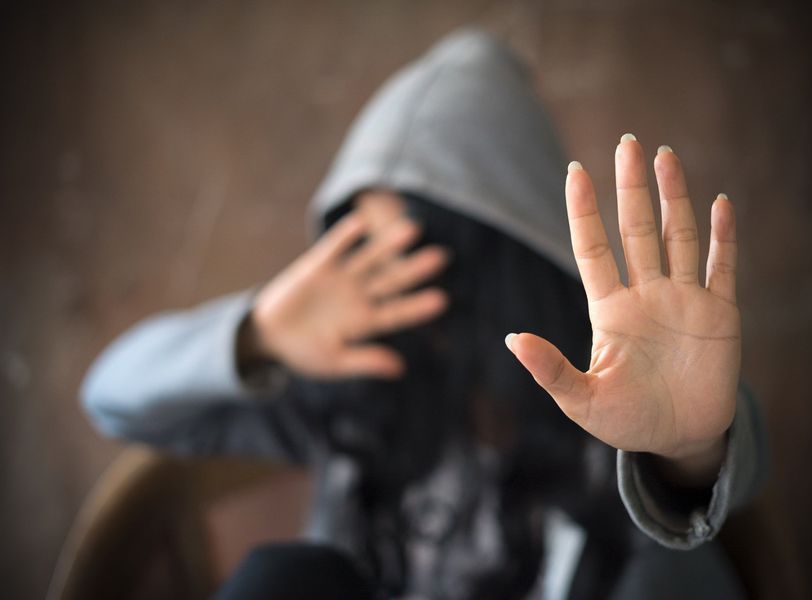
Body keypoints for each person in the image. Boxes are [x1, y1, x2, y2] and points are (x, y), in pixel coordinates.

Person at [81, 29, 766, 599]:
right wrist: (256, 335)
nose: (372, 293)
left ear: (494, 266)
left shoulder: (615, 386)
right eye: (355, 252)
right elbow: (114, 399)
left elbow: (718, 476)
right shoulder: (353, 386)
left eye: (408, 261)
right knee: (281, 579)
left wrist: (688, 454)